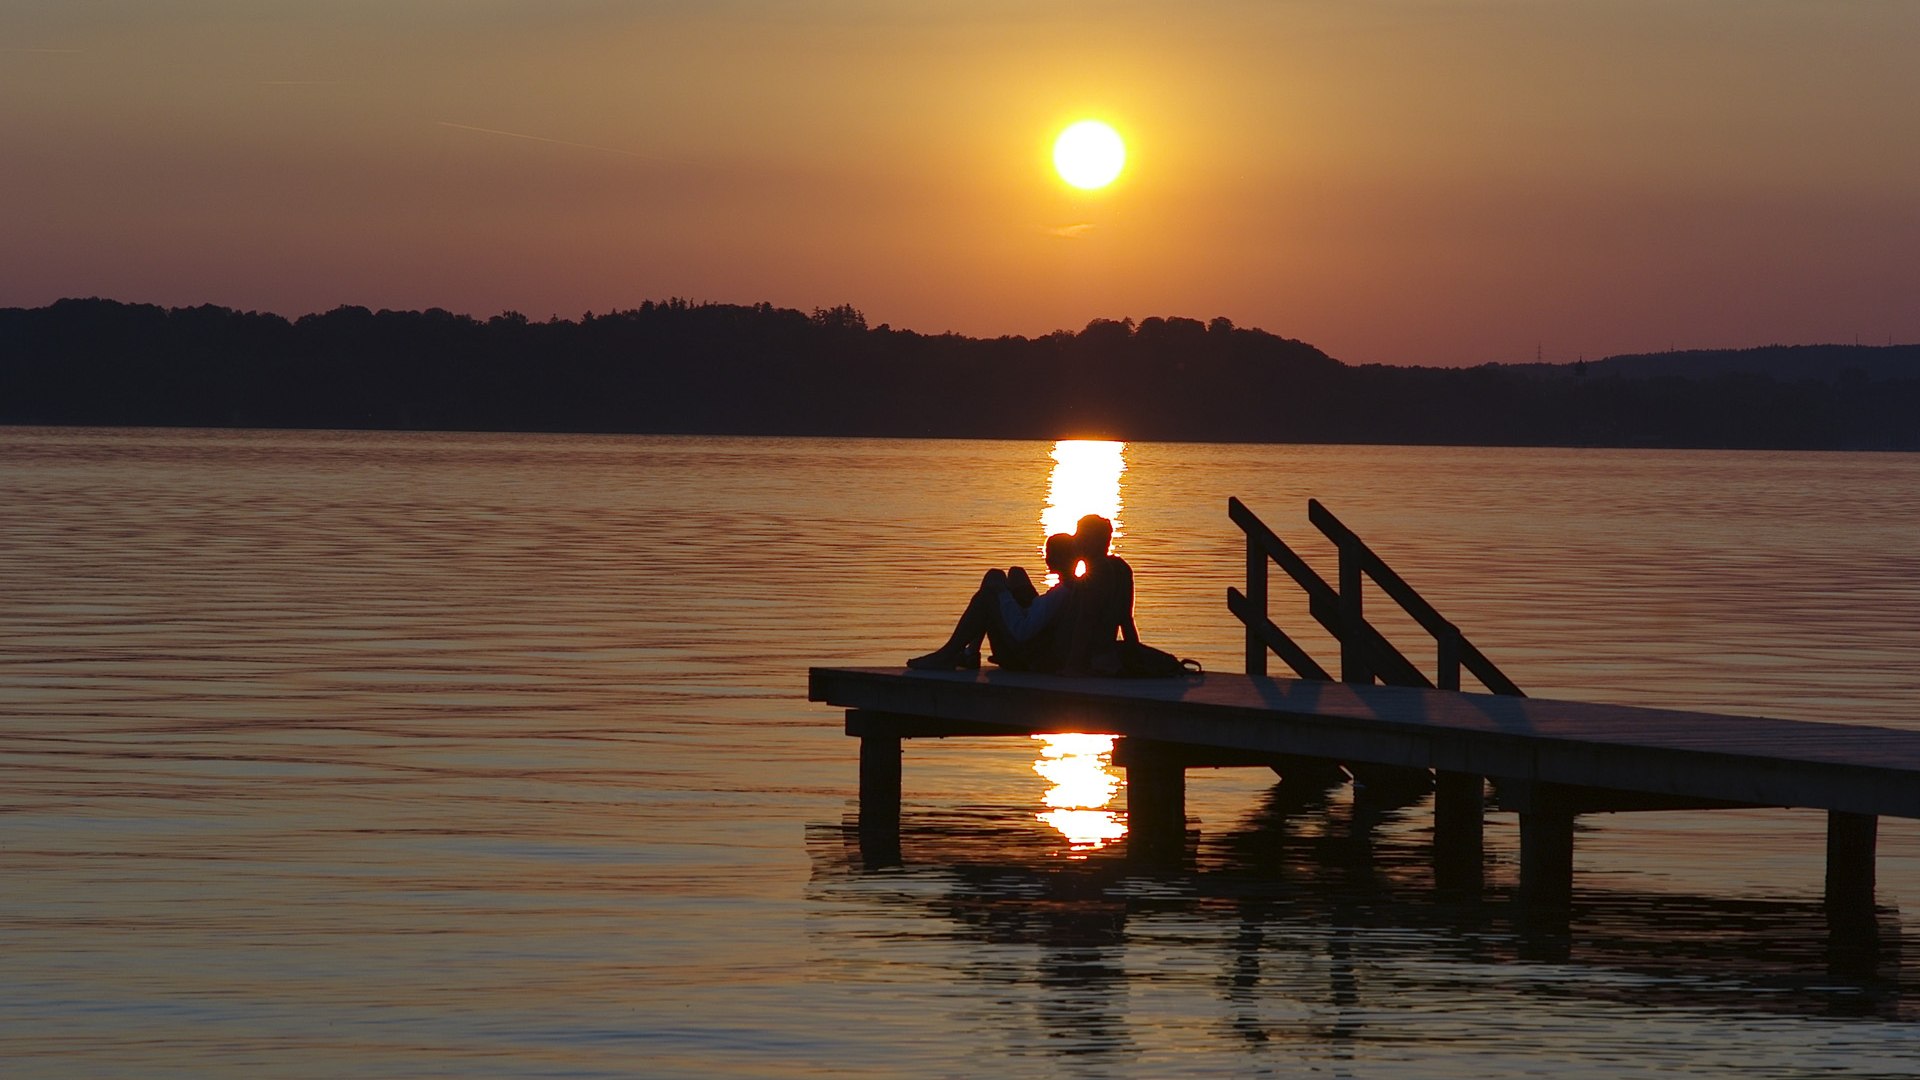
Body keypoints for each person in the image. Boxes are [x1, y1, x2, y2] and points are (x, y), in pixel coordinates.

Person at [906, 533, 1080, 671]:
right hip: (1035, 639)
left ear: (1057, 559)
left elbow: (1021, 632)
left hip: (1023, 654)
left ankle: (950, 654)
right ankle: (969, 653)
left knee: (990, 588)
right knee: (1014, 573)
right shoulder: (1072, 587)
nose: (1046, 559)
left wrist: (1003, 597)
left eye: (1049, 554)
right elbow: (1039, 617)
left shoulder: (1061, 594)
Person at [1061, 514, 1138, 675]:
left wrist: (1072, 665)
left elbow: (1085, 620)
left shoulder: (1097, 572)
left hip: (1088, 656)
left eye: (1079, 536)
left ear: (1090, 541)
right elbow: (1127, 620)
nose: (1075, 541)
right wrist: (1134, 656)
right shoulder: (1121, 568)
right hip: (1104, 652)